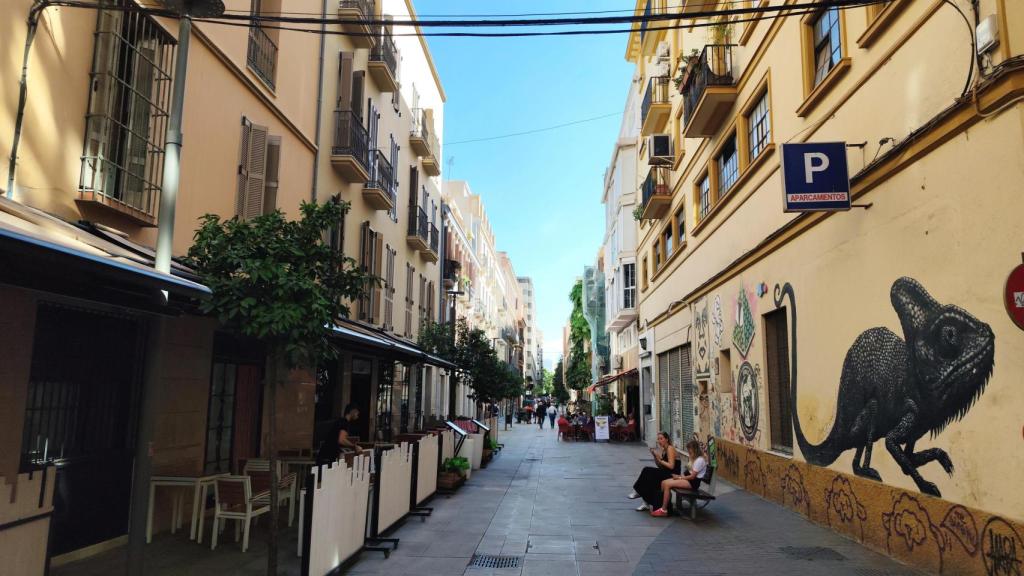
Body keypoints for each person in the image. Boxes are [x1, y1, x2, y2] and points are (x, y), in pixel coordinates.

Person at [651, 439, 707, 517]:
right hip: (689, 480)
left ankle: (664, 510)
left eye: (690, 450)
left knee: (667, 484)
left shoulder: (699, 460)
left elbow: (692, 476)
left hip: (693, 483)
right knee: (663, 482)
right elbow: (689, 472)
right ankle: (667, 506)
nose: (689, 452)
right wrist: (679, 477)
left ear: (695, 449)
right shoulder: (695, 458)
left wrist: (680, 478)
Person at [628, 432, 680, 511]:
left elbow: (671, 466)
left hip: (673, 475)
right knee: (650, 478)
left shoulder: (670, 448)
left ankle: (638, 491)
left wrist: (660, 459)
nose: (659, 441)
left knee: (647, 470)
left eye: (661, 438)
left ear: (666, 439)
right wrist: (655, 456)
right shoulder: (664, 450)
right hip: (666, 472)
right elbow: (660, 466)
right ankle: (646, 502)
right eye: (658, 439)